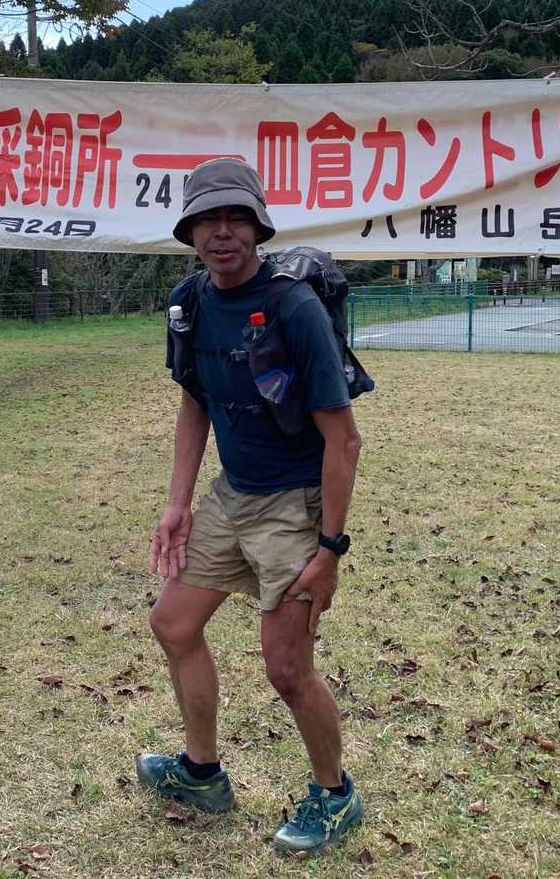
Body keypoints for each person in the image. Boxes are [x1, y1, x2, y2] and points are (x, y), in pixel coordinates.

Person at [137, 158, 364, 856]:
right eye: (208, 219)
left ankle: (335, 793)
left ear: (259, 227)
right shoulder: (191, 301)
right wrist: (178, 505)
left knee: (286, 667)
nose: (222, 232)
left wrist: (329, 550)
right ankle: (202, 773)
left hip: (293, 504)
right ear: (189, 232)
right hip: (231, 495)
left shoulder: (293, 307)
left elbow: (344, 440)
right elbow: (195, 402)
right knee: (173, 624)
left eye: (236, 218)